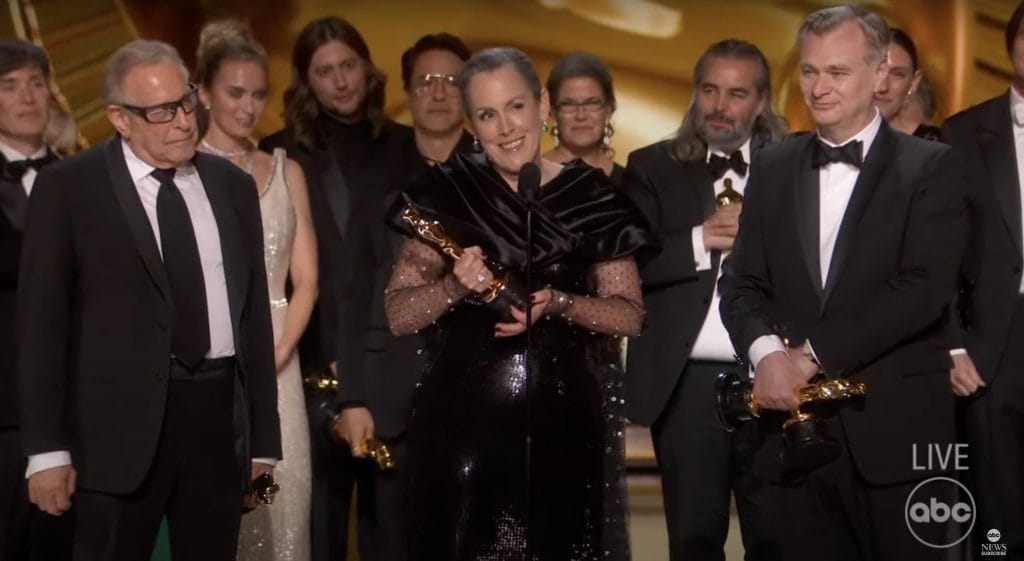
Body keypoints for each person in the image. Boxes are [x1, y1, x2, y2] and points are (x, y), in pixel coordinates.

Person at [719, 6, 967, 560]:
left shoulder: (933, 167)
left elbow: (922, 291)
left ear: (880, 74)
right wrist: (766, 356)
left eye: (837, 72)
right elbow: (742, 283)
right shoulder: (775, 165)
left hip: (899, 438)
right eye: (810, 72)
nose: (819, 87)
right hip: (793, 439)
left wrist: (807, 357)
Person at [384, 47, 651, 561]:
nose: (506, 128)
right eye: (487, 114)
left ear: (543, 105)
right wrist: (453, 287)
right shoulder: (447, 195)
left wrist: (562, 304)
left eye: (516, 107)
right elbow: (399, 314)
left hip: (566, 430)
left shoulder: (593, 198)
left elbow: (629, 314)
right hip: (461, 436)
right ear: (472, 123)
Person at [17, 40, 280, 559]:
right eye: (161, 112)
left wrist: (263, 439)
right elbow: (42, 327)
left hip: (215, 421)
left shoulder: (232, 186)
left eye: (186, 102)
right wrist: (46, 451)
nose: (183, 122)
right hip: (115, 434)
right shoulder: (68, 189)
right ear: (119, 118)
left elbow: (253, 318)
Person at [622, 39, 787, 561]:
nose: (718, 105)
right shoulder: (651, 166)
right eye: (709, 90)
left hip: (775, 374)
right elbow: (627, 265)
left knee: (777, 538)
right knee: (693, 540)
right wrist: (699, 239)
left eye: (735, 94)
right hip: (687, 384)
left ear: (761, 102)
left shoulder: (797, 167)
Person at [259, 17, 412, 561]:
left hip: (386, 361)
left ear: (367, 70)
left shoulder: (404, 147)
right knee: (314, 524)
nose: (341, 81)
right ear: (305, 82)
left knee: (388, 530)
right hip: (305, 362)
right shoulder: (276, 153)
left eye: (348, 65)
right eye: (325, 72)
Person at [330, 31, 472, 561]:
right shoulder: (374, 173)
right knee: (388, 543)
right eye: (426, 82)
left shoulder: (498, 175)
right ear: (408, 92)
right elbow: (354, 290)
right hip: (388, 399)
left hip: (473, 397)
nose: (439, 93)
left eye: (452, 82)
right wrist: (353, 398)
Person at [195, 19, 317, 561]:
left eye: (258, 94)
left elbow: (307, 278)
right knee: (215, 506)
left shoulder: (286, 170)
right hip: (207, 362)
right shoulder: (183, 169)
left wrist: (281, 352)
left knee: (286, 505)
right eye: (234, 93)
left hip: (280, 360)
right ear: (203, 92)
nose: (248, 107)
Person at [943, 0, 1024, 551]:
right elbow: (936, 257)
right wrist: (953, 347)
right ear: (1012, 45)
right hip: (994, 344)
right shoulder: (965, 132)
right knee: (997, 518)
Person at [0, 38, 75, 561]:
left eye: (35, 83)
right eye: (8, 86)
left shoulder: (85, 181)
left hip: (80, 411)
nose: (27, 97)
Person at [543, 52, 623, 184]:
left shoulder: (632, 184)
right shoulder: (526, 180)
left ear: (610, 107)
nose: (581, 115)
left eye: (592, 102)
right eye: (568, 104)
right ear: (552, 110)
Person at [873, 28, 943, 141]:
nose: (883, 87)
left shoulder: (938, 147)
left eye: (898, 74)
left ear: (914, 82)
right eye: (877, 71)